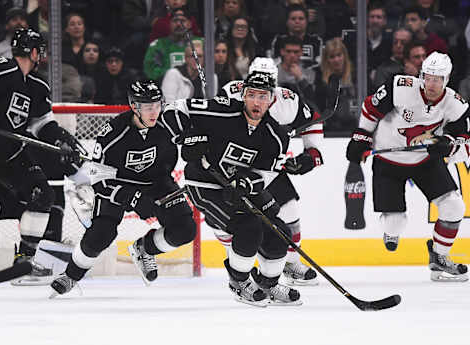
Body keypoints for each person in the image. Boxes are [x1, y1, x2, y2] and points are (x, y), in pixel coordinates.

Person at [161, 71, 303, 306]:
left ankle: (268, 284)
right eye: (252, 95)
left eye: (263, 96)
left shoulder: (276, 136)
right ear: (243, 95)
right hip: (204, 183)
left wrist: (247, 184)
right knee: (249, 227)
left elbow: (265, 175)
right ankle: (239, 282)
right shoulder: (222, 110)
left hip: (241, 188)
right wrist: (186, 137)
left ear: (271, 100)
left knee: (280, 232)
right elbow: (174, 108)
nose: (257, 102)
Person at [50, 80, 197, 296]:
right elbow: (98, 179)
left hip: (157, 182)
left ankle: (145, 249)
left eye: (157, 105)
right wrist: (133, 198)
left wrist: (197, 149)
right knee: (101, 234)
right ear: (134, 107)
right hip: (119, 185)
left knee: (186, 229)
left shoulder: (167, 124)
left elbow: (196, 137)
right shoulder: (113, 133)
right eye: (148, 107)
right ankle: (71, 275)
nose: (154, 112)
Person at [346, 52, 469, 282]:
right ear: (421, 75)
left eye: (438, 79)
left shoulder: (455, 104)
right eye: (428, 77)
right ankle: (391, 230)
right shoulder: (400, 86)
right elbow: (370, 108)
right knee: (395, 223)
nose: (432, 84)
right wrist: (361, 137)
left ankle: (439, 258)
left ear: (447, 79)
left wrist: (449, 145)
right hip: (388, 161)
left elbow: (463, 139)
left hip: (425, 161)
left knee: (454, 206)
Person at [218, 57, 321, 286]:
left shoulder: (287, 100)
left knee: (290, 210)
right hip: (232, 169)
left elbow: (313, 120)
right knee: (228, 219)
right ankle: (237, 266)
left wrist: (311, 154)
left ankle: (291, 264)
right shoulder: (230, 93)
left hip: (267, 169)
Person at [0, 28, 82, 278]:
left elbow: (42, 124)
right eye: (40, 50)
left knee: (43, 195)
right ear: (33, 52)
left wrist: (60, 138)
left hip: (12, 155)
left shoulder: (37, 85)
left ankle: (27, 258)